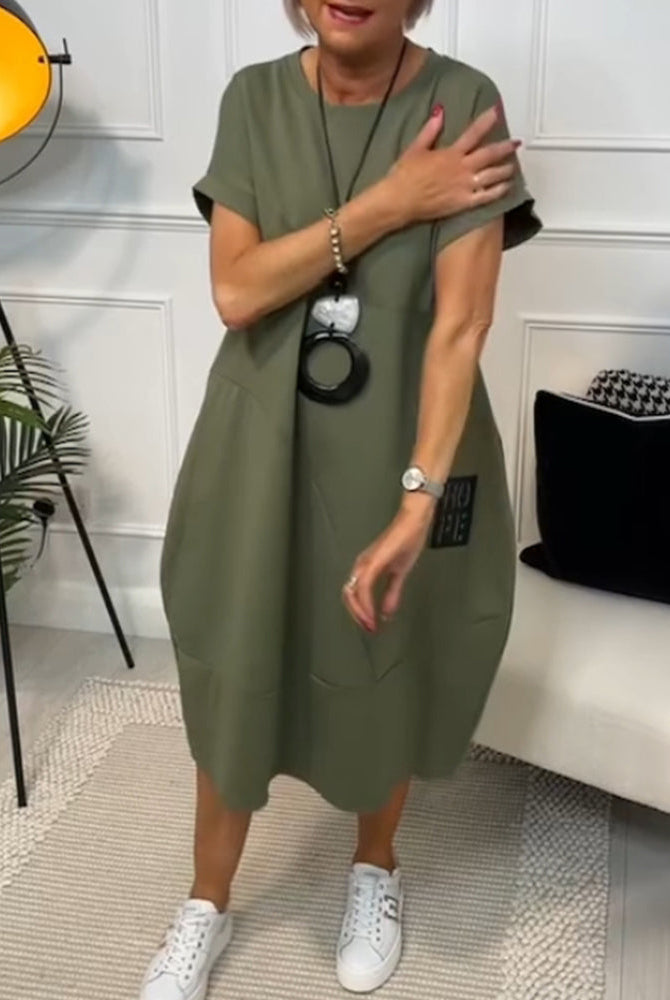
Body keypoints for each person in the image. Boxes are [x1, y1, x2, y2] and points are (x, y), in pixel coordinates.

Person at [140, 1, 542, 997]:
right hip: (259, 443)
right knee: (240, 653)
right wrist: (393, 202)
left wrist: (418, 498)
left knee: (386, 651)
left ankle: (375, 867)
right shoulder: (253, 100)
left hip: (406, 442)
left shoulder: (463, 101)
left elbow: (459, 328)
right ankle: (205, 902)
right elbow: (237, 292)